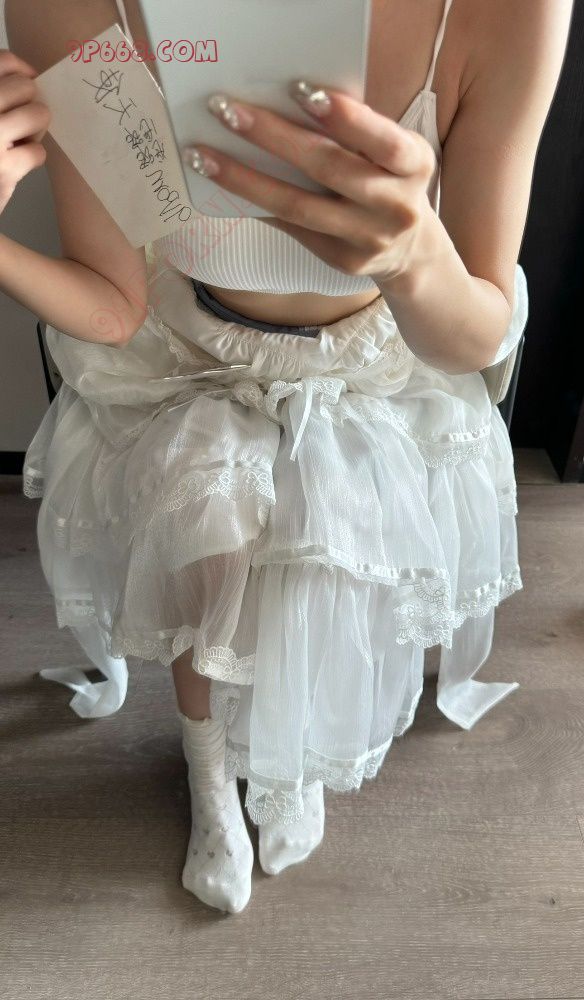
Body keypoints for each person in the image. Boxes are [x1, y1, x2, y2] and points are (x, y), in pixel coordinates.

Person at [3, 0, 573, 915]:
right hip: (189, 348)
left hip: (382, 356)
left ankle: (288, 760)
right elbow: (113, 305)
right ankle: (207, 770)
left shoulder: (508, 10)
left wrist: (417, 259)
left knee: (324, 550)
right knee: (204, 538)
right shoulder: (66, 4)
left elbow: (475, 334)